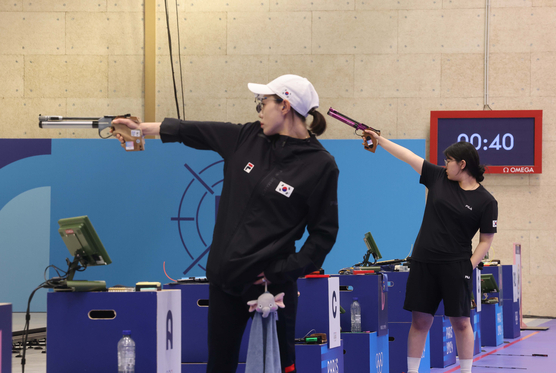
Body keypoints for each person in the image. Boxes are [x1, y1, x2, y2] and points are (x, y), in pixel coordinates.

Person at [113, 74, 339, 373]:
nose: (259, 111)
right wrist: (141, 129)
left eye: (263, 103)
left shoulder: (321, 165)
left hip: (272, 289)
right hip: (224, 283)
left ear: (284, 106)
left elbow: (323, 234)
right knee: (219, 366)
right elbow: (193, 131)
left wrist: (280, 271)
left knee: (278, 367)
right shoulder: (246, 138)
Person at [363, 130, 498, 373]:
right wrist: (380, 140)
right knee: (420, 321)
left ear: (463, 164)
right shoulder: (438, 177)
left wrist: (468, 265)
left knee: (461, 322)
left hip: (457, 266)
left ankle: (466, 371)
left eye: (449, 161)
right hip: (424, 262)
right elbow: (408, 156)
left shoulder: (486, 201)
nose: (444, 164)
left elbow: (486, 241)